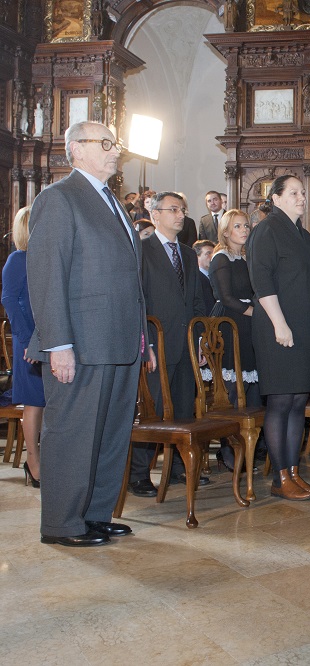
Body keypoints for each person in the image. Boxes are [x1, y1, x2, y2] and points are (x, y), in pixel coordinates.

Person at [27, 120, 145, 547]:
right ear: (76, 148)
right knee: (73, 434)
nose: (116, 151)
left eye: (117, 144)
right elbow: (46, 275)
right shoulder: (59, 198)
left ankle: (95, 514)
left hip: (120, 340)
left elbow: (131, 278)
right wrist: (58, 344)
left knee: (110, 434)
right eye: (106, 143)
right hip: (80, 341)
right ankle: (62, 523)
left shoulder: (112, 202)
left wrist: (142, 339)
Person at [247, 175, 310, 500]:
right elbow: (261, 280)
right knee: (281, 401)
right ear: (276, 197)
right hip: (278, 327)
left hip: (305, 328)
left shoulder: (303, 234)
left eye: (303, 192)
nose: (301, 197)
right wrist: (279, 324)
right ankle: (280, 478)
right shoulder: (267, 229)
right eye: (293, 192)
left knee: (297, 402)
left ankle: (293, 472)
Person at [128, 191, 208, 497]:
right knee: (153, 411)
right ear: (156, 214)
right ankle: (138, 474)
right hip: (156, 345)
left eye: (182, 210)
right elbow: (139, 300)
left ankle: (176, 468)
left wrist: (198, 339)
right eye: (173, 209)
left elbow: (197, 301)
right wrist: (145, 344)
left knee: (183, 408)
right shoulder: (143, 249)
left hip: (185, 345)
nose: (180, 215)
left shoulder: (187, 253)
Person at [209, 209, 262, 472]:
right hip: (230, 324)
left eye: (246, 226)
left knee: (251, 388)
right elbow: (225, 297)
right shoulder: (221, 258)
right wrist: (255, 312)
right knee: (232, 389)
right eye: (238, 226)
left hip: (249, 323)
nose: (244, 230)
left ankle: (249, 447)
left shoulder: (246, 257)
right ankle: (227, 450)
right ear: (226, 231)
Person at [2, 206, 44, 488]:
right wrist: (27, 341)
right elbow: (9, 300)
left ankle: (48, 459)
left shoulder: (46, 258)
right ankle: (33, 462)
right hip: (28, 341)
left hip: (49, 339)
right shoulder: (18, 259)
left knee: (49, 402)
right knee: (34, 402)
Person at [193, 239, 217, 312]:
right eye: (208, 253)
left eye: (214, 253)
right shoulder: (194, 278)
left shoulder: (218, 276)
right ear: (197, 257)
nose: (212, 256)